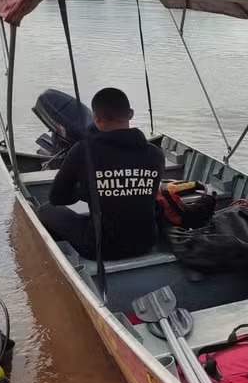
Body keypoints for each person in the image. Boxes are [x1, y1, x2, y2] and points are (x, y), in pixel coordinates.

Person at [38, 87, 164, 261]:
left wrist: (87, 191)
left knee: (46, 210)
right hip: (146, 243)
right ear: (131, 114)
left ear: (96, 119)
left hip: (100, 248)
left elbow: (58, 198)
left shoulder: (83, 151)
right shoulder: (155, 154)